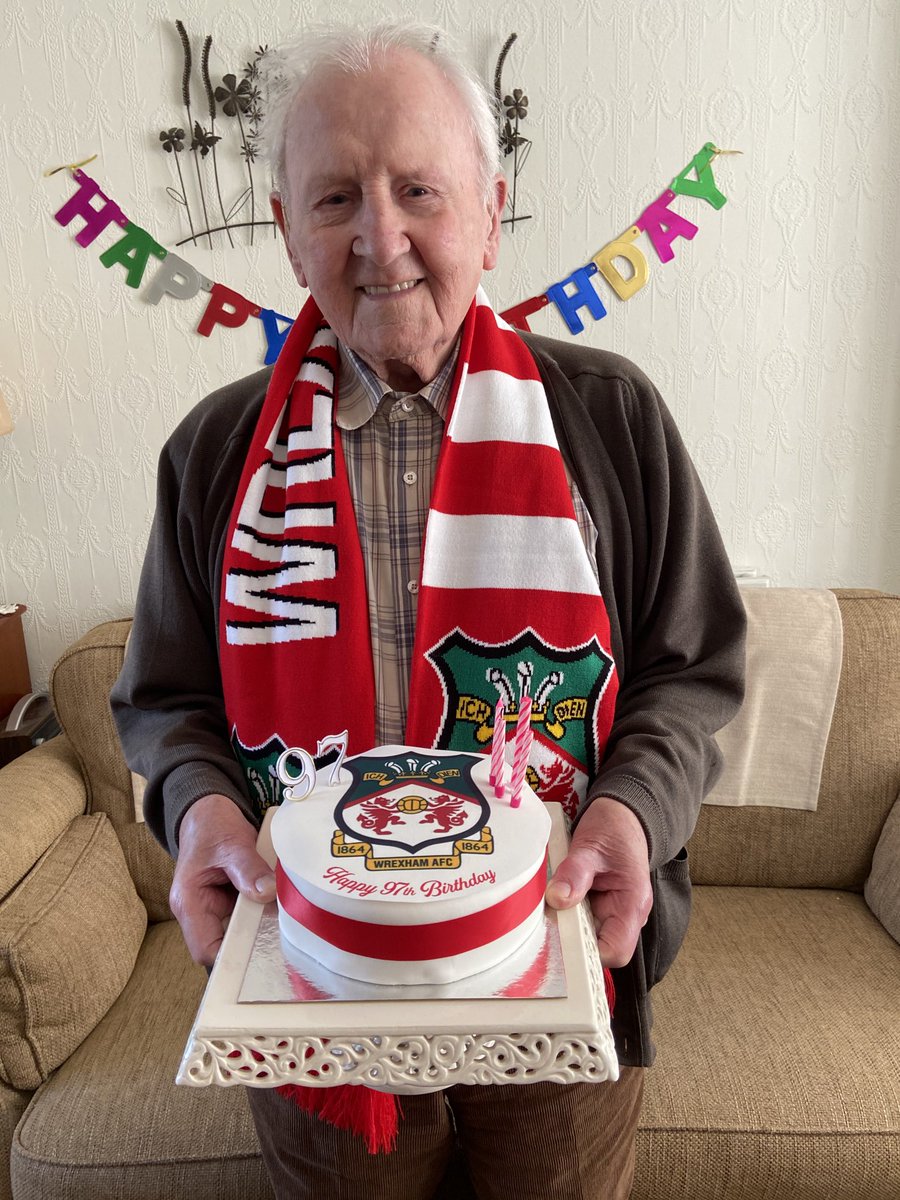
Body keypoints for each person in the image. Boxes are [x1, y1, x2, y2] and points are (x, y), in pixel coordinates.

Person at [111, 21, 745, 1200]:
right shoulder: (213, 455)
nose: (380, 238)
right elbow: (165, 701)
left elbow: (691, 672)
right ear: (288, 227)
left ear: (492, 210)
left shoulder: (611, 419)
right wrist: (197, 810)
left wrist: (631, 814)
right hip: (311, 986)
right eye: (337, 196)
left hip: (559, 967)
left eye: (418, 190)